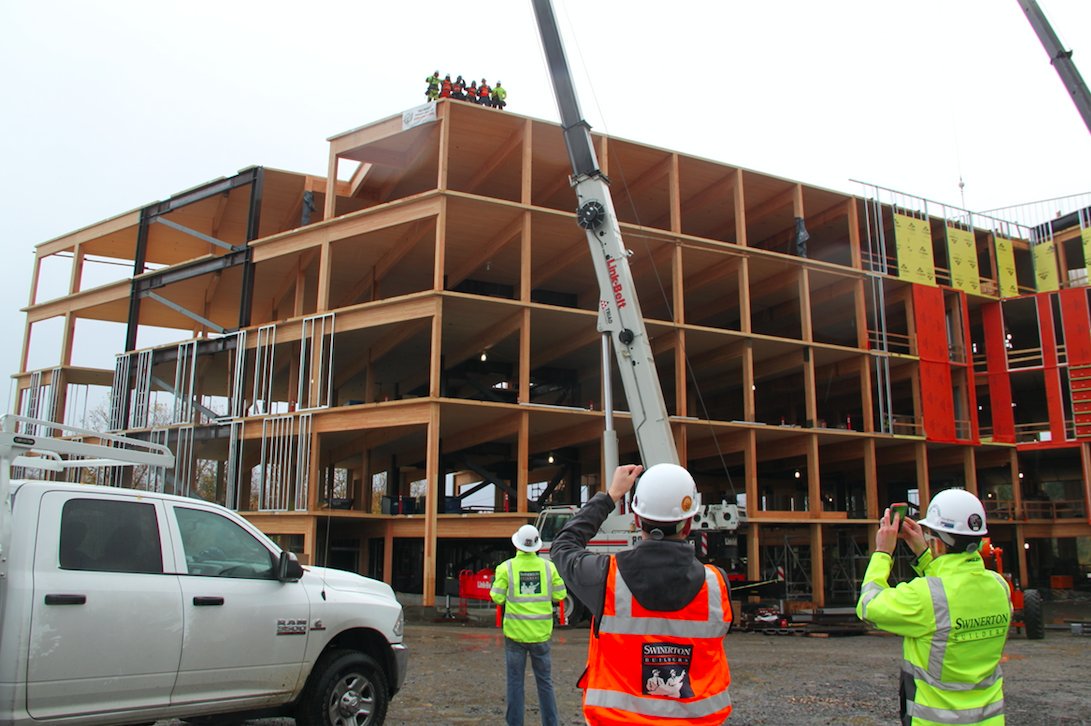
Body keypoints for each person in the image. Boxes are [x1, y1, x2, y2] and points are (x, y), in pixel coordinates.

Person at [551, 463, 733, 725]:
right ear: (688, 523)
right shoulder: (717, 585)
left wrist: (611, 495)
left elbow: (563, 546)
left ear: (636, 520)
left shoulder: (606, 577)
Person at [856, 489, 1012, 725]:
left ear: (938, 543)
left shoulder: (925, 597)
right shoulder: (1000, 587)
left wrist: (882, 553)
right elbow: (950, 591)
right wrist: (924, 554)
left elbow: (868, 606)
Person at [490, 524, 566, 726]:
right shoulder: (548, 568)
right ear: (537, 546)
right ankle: (551, 723)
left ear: (517, 545)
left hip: (515, 636)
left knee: (515, 683)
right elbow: (560, 594)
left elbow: (497, 598)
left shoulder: (506, 568)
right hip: (541, 636)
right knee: (545, 683)